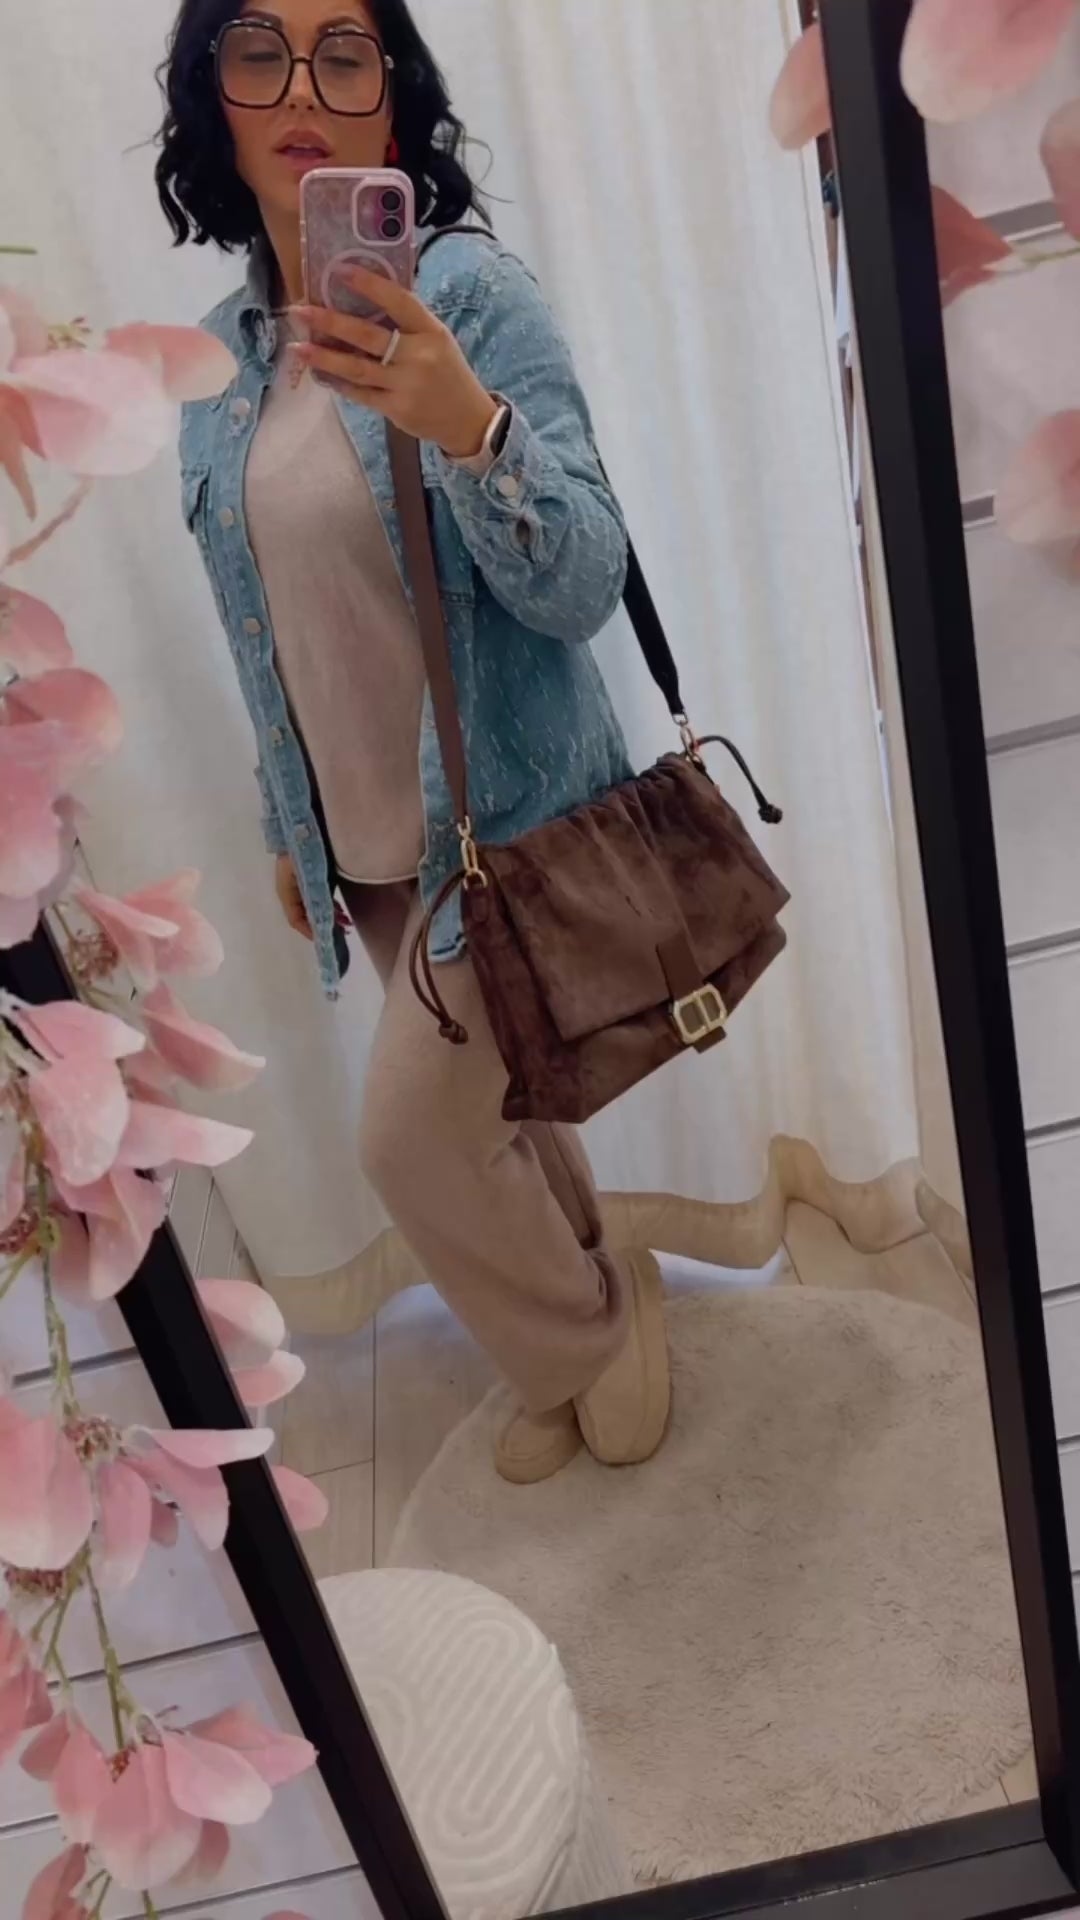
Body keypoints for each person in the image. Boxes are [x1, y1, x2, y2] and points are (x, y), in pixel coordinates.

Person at [157, 0, 670, 1483]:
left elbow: (583, 584)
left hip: (503, 810)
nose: (302, 87)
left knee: (409, 1140)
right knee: (497, 1102)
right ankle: (587, 1290)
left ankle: (588, 1339)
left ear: (391, 101)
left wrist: (472, 426)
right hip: (366, 834)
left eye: (345, 52)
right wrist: (286, 825)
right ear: (211, 98)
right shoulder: (219, 368)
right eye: (258, 50)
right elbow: (265, 627)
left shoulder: (468, 294)